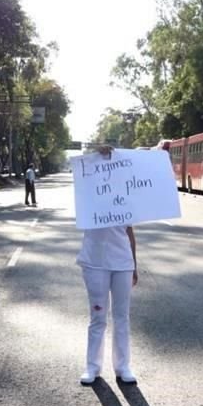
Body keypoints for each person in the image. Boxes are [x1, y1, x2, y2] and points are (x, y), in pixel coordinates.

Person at [78, 149, 138, 385]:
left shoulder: (125, 197)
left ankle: (123, 367)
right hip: (95, 262)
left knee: (122, 317)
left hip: (122, 262)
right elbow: (84, 171)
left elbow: (130, 232)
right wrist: (98, 156)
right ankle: (92, 367)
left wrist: (134, 264)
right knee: (98, 317)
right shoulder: (87, 195)